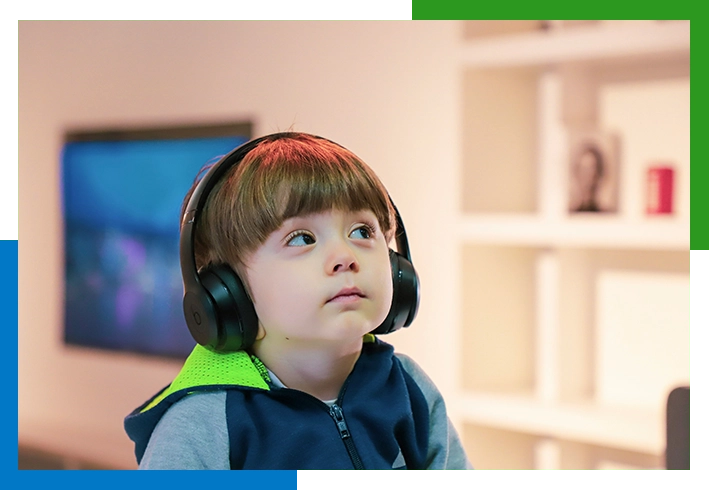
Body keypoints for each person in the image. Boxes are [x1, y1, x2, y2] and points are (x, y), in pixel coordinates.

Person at [124, 132, 472, 470]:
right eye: (302, 238)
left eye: (362, 232)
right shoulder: (203, 423)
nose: (344, 256)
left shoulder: (409, 389)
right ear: (229, 292)